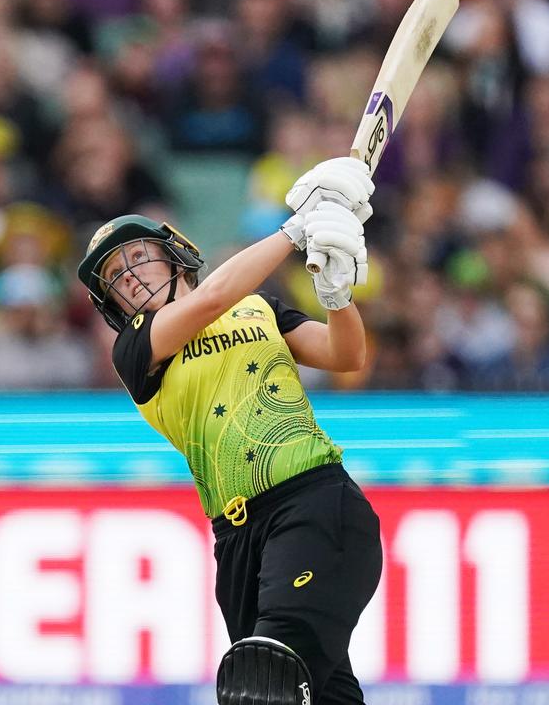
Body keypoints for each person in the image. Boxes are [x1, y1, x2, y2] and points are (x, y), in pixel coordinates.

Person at [76, 157, 382, 705]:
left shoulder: (258, 307)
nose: (130, 275)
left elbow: (347, 354)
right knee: (314, 694)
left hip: (311, 504)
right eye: (116, 277)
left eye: (139, 257)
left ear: (176, 255)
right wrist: (295, 229)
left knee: (265, 686)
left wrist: (337, 297)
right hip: (237, 542)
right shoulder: (136, 349)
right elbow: (212, 296)